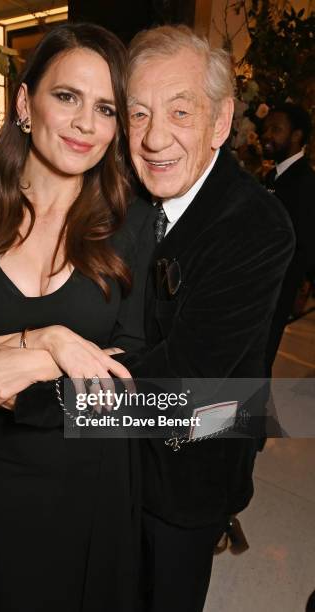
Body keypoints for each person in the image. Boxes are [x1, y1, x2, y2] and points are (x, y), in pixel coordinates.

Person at [0, 23, 154, 611]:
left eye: (106, 108)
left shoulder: (134, 228)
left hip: (93, 475)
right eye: (67, 97)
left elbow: (128, 374)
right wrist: (54, 341)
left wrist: (32, 355)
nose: (86, 123)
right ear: (24, 103)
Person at [116, 25, 295, 611]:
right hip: (113, 459)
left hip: (188, 472)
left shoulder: (255, 225)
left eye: (179, 112)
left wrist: (36, 392)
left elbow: (188, 384)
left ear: (221, 122)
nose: (153, 137)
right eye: (138, 115)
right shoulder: (130, 201)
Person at [261, 103, 315, 374]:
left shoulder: (305, 183)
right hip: (258, 288)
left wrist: (297, 291)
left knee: (259, 361)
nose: (266, 134)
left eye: (276, 129)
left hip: (275, 291)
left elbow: (305, 246)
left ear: (296, 136)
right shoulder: (274, 175)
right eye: (266, 127)